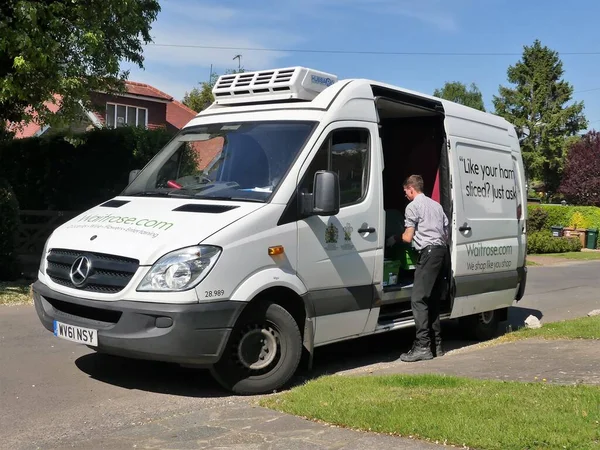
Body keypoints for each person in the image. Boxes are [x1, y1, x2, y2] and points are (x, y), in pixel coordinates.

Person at [386, 175, 449, 362]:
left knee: (418, 299)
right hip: (442, 253)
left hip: (429, 254)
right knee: (433, 300)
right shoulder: (436, 205)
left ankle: (422, 347)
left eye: (405, 191)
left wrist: (394, 239)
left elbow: (407, 237)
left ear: (412, 188)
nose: (405, 194)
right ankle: (437, 345)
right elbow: (445, 233)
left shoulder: (413, 207)